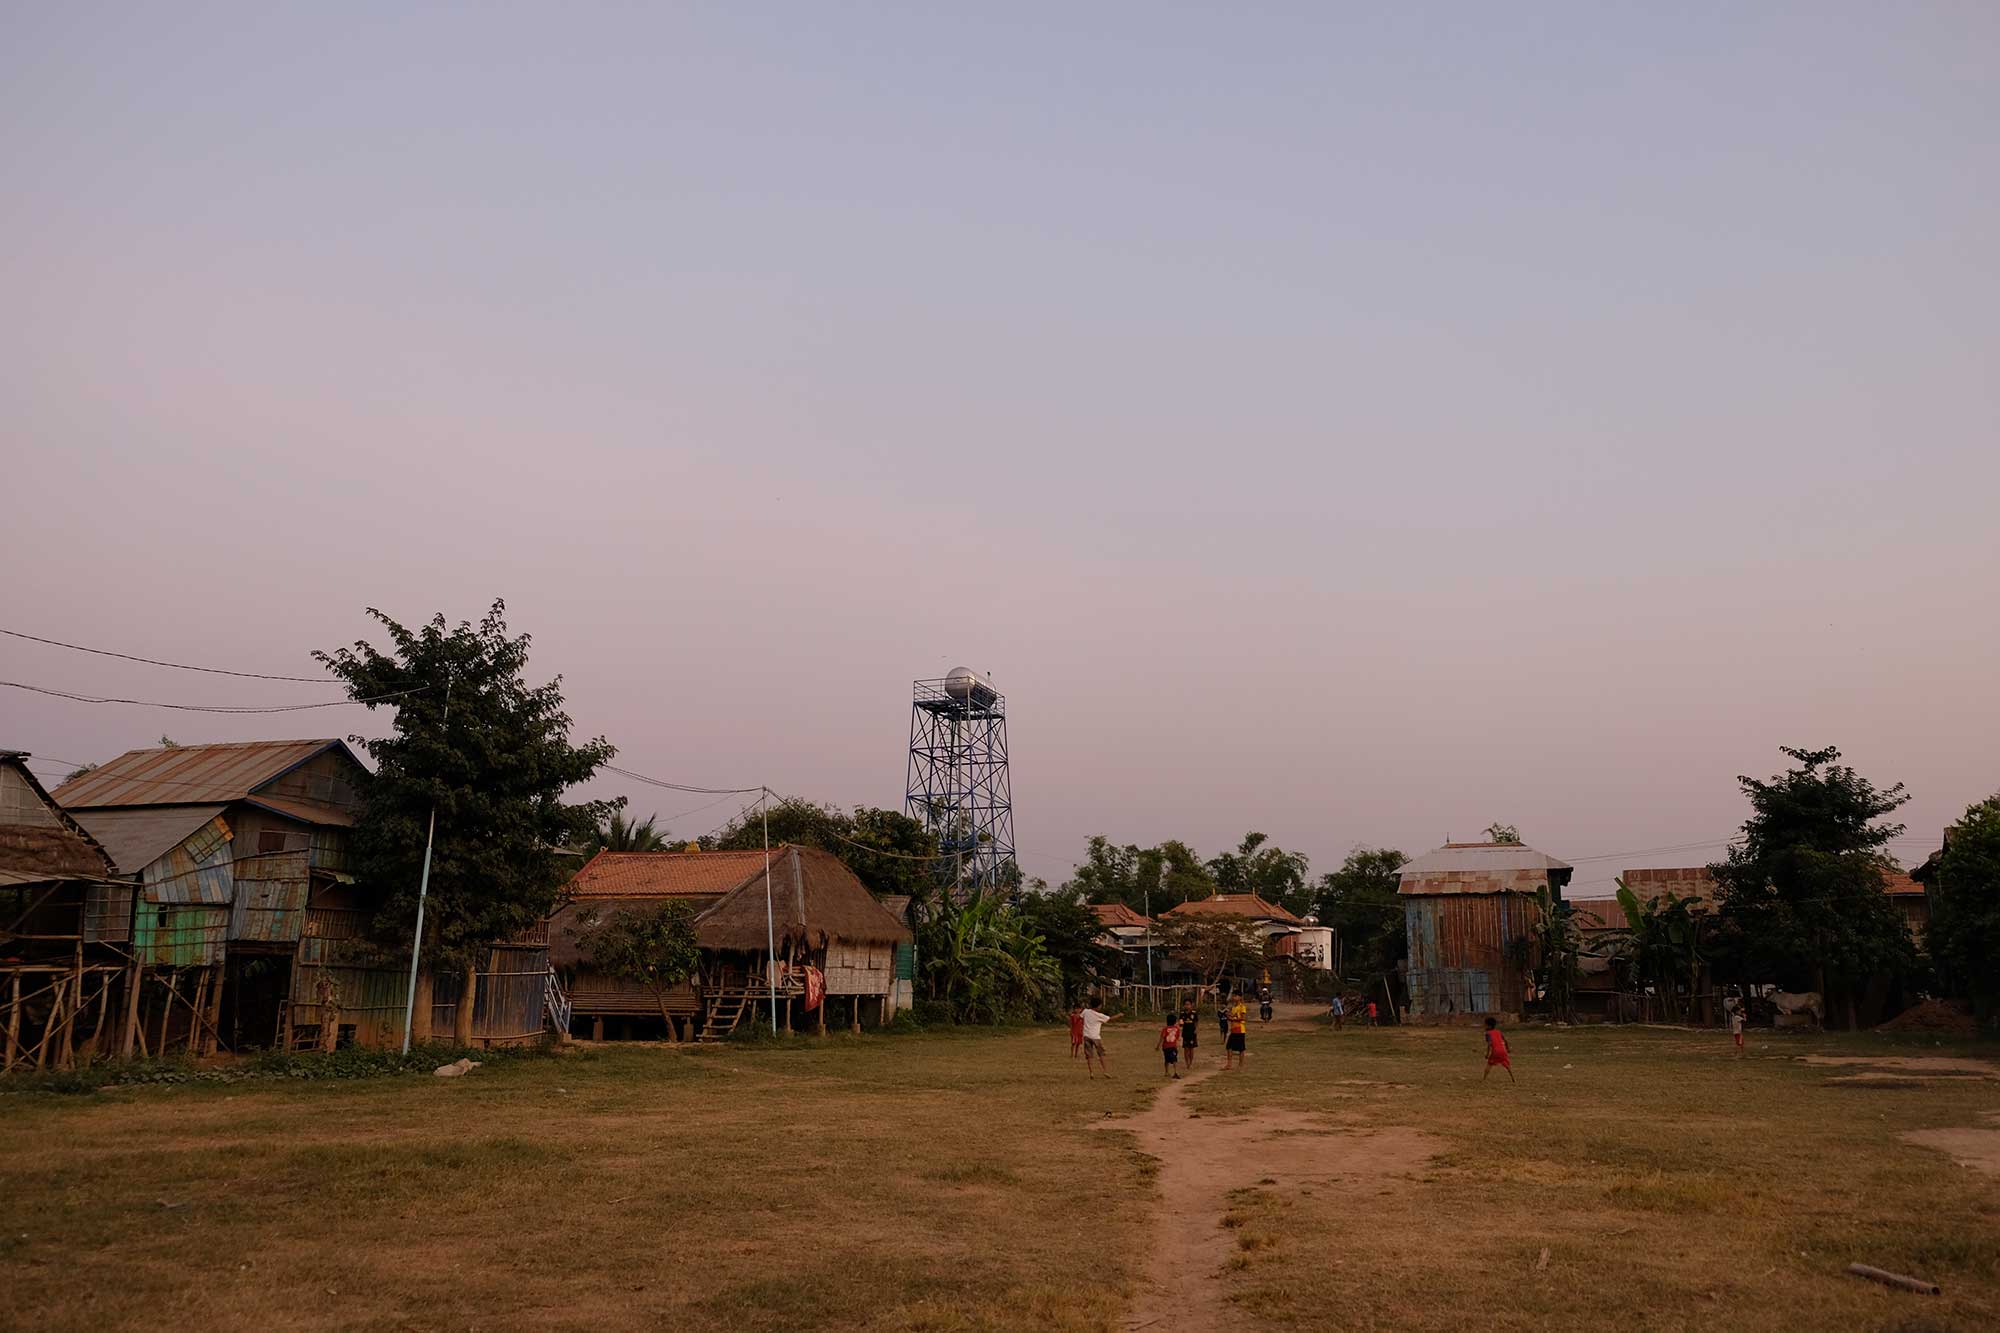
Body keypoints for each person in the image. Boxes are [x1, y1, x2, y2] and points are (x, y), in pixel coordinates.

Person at [1079, 1000, 1120, 1078]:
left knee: (1089, 1055)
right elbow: (1110, 1019)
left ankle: (1091, 1073)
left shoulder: (1086, 1012)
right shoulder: (1099, 1015)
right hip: (1095, 1037)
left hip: (1086, 1036)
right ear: (1098, 1006)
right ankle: (1105, 1071)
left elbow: (1080, 1017)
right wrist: (1119, 1015)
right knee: (1101, 1054)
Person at [1483, 1016, 1513, 1083]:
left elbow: (1489, 1045)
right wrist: (1508, 1049)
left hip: (1495, 1051)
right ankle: (1512, 1078)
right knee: (1506, 1064)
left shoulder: (1488, 1034)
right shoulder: (1499, 1032)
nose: (1484, 1026)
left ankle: (1484, 1079)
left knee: (1489, 1064)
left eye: (1485, 1025)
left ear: (1489, 1026)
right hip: (1503, 1050)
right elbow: (1505, 1040)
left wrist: (1487, 1054)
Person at [1225, 994, 1249, 1071]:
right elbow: (1232, 1016)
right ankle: (1229, 1064)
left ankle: (1240, 1064)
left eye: (1236, 996)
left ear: (1240, 997)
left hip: (1240, 1029)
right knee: (1229, 1047)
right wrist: (1228, 1016)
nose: (1234, 998)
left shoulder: (1242, 1007)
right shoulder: (1233, 1007)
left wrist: (1233, 1019)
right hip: (1233, 1029)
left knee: (1241, 1048)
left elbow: (1243, 1018)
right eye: (1233, 996)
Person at [1156, 1013, 1182, 1079]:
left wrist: (1158, 1046)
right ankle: (1175, 1072)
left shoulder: (1165, 1029)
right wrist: (1179, 1044)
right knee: (1174, 1059)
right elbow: (1178, 1038)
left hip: (1166, 1047)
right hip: (1173, 1047)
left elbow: (1162, 1038)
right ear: (1175, 1021)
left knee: (1166, 1059)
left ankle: (1166, 1072)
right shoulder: (1177, 1029)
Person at [1178, 1002, 1200, 1070]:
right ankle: (1187, 1063)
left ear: (1191, 1005)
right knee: (1186, 1048)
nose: (1187, 1006)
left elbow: (1196, 1022)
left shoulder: (1194, 1013)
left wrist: (1196, 1029)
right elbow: (1180, 1023)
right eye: (1186, 1004)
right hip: (1185, 1033)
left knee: (1191, 1048)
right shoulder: (1182, 1014)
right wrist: (1180, 1024)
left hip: (1192, 1033)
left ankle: (1190, 1063)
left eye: (1188, 1004)